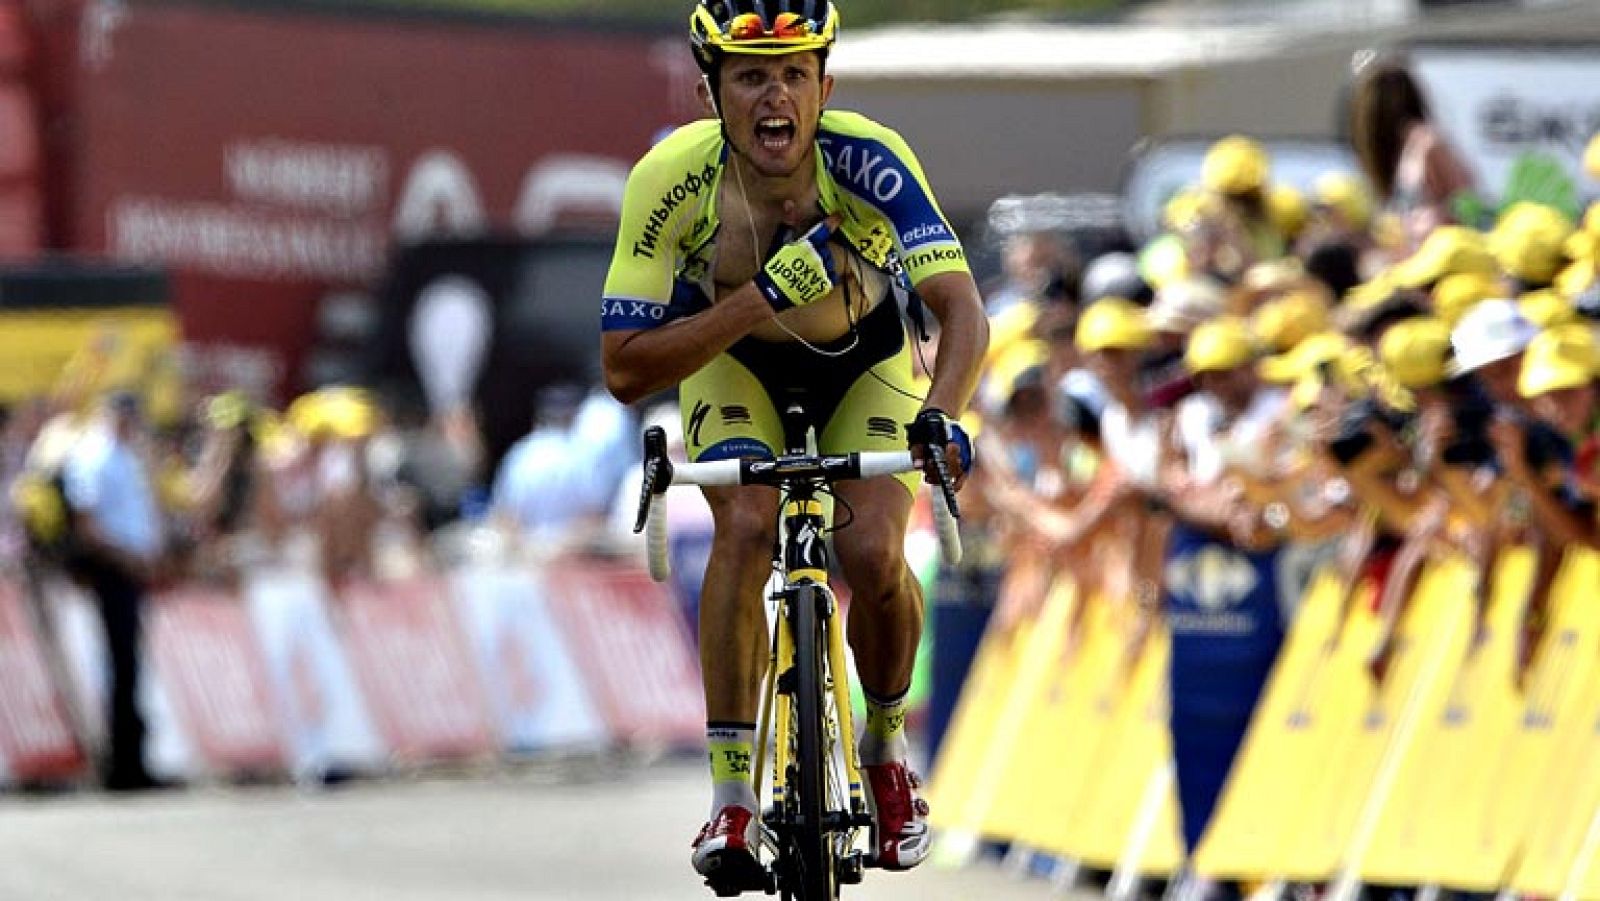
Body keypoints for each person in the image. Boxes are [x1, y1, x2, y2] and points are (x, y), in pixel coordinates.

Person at [599, 0, 987, 889]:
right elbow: (624, 366)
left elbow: (961, 308)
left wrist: (946, 411)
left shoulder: (868, 159)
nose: (774, 95)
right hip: (735, 366)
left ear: (824, 87)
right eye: (748, 76)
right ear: (711, 93)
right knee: (742, 530)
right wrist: (753, 301)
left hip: (867, 366)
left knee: (874, 549)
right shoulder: (670, 180)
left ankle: (886, 754)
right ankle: (733, 797)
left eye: (792, 75)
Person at [61, 390, 167, 791]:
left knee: (129, 666)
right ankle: (120, 764)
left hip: (131, 570)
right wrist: (127, 558)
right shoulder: (95, 456)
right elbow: (87, 523)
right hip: (111, 571)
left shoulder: (128, 457)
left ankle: (133, 759)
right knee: (117, 666)